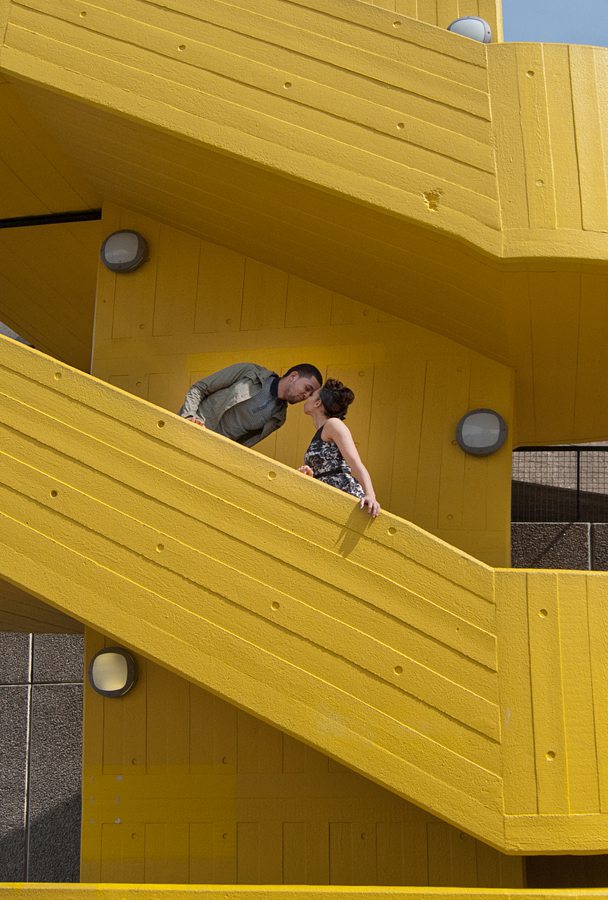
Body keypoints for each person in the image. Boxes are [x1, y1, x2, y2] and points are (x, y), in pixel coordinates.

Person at [179, 362, 322, 447]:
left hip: (212, 450)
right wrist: (188, 417)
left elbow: (243, 445)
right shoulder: (250, 372)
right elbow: (199, 388)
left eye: (310, 394)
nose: (306, 396)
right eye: (307, 388)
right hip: (189, 432)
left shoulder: (278, 418)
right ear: (293, 377)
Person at [299, 378, 380, 517]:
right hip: (327, 498)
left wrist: (370, 495)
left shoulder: (333, 424)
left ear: (318, 403)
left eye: (312, 395)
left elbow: (355, 463)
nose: (307, 397)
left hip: (343, 494)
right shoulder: (322, 431)